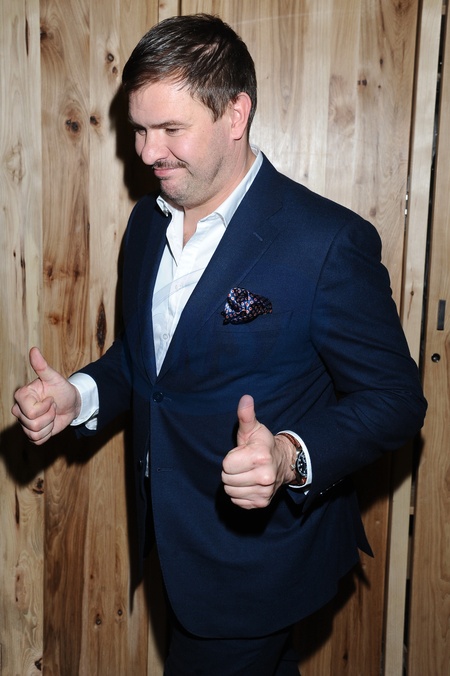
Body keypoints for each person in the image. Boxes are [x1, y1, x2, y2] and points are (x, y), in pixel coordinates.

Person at [12, 13, 427, 676]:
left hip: (259, 562)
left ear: (236, 114)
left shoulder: (326, 242)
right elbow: (150, 363)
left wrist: (290, 455)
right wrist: (80, 395)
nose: (148, 152)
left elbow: (396, 399)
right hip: (174, 544)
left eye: (170, 129)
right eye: (139, 129)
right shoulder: (146, 225)